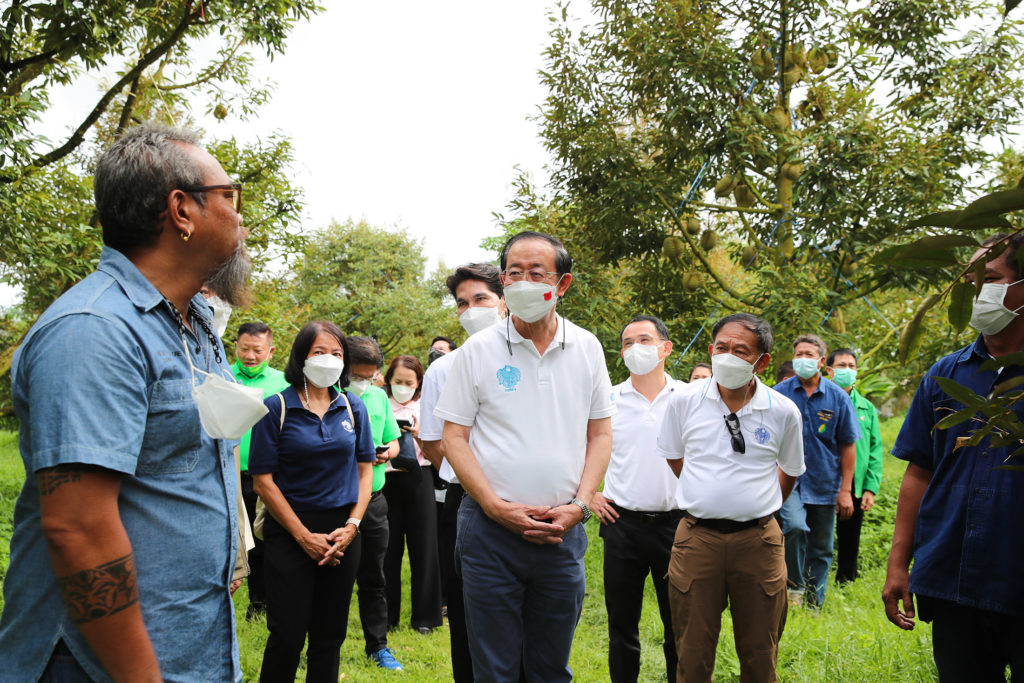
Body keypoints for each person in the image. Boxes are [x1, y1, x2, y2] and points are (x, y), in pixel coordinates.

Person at [0, 123, 252, 680]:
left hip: (190, 647)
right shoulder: (93, 331)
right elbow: (78, 529)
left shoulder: (196, 324)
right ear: (182, 211)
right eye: (228, 197)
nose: (240, 216)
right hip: (96, 665)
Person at [436, 230, 616, 681]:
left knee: (551, 666)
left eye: (537, 273)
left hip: (561, 532)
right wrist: (495, 507)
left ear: (563, 284)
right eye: (513, 273)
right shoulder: (478, 351)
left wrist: (579, 504)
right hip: (489, 533)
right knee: (494, 667)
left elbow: (600, 433)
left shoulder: (587, 347)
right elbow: (453, 437)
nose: (523, 282)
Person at [883, 233, 1024, 679]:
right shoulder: (946, 374)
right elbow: (919, 473)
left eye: (992, 278)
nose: (976, 290)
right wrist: (897, 566)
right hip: (953, 578)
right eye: (970, 279)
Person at [657, 312, 804, 682]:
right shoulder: (683, 402)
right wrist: (706, 494)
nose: (728, 356)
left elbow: (790, 470)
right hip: (697, 539)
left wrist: (758, 504)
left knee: (760, 652)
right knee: (691, 652)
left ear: (762, 361)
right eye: (721, 348)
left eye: (741, 350)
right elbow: (676, 458)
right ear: (710, 350)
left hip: (758, 542)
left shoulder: (783, 411)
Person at [248, 321, 374, 682]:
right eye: (320, 352)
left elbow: (365, 473)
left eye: (337, 353)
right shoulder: (276, 407)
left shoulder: (352, 407)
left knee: (329, 634)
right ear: (301, 355)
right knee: (287, 633)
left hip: (343, 531)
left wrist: (352, 526)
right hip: (290, 531)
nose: (329, 360)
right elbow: (263, 482)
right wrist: (303, 536)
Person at [419, 262, 507, 682]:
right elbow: (435, 443)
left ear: (504, 300)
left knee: (525, 615)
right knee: (468, 607)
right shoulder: (442, 369)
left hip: (530, 500)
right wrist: (473, 481)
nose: (471, 310)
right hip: (463, 502)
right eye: (462, 303)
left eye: (481, 300)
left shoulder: (533, 355)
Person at [590, 314, 683, 683]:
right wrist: (590, 494)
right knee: (622, 626)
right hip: (621, 524)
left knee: (679, 626)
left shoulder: (687, 398)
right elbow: (578, 449)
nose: (634, 349)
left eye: (643, 340)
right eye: (627, 343)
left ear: (665, 347)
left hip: (677, 526)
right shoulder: (608, 399)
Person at [774, 334, 859, 608]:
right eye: (798, 354)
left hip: (825, 481)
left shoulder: (837, 398)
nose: (802, 359)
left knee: (821, 548)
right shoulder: (779, 394)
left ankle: (814, 605)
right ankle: (795, 588)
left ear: (822, 361)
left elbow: (848, 445)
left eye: (809, 355)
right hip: (788, 481)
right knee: (795, 527)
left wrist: (846, 490)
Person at [346, 336, 404, 671]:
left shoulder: (380, 397)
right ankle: (325, 643)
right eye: (356, 375)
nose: (362, 383)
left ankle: (378, 646)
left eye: (369, 376)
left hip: (374, 502)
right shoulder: (327, 396)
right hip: (336, 502)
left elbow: (394, 442)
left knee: (373, 577)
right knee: (331, 579)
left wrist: (386, 453)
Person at [232, 322, 290, 620]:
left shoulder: (282, 384)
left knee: (262, 537)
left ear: (271, 351)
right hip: (230, 474)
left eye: (257, 350)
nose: (250, 356)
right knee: (231, 536)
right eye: (245, 349)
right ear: (236, 347)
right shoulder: (224, 375)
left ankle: (260, 602)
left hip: (267, 477)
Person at [382, 354, 444, 634]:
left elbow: (439, 449)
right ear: (389, 380)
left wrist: (419, 434)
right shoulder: (380, 404)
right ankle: (386, 617)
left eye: (409, 382)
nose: (403, 387)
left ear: (419, 382)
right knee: (387, 551)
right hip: (387, 480)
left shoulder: (428, 406)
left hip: (421, 479)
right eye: (398, 381)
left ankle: (425, 618)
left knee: (425, 548)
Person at [825, 348, 883, 584]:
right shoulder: (822, 402)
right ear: (829, 370)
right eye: (841, 365)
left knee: (850, 537)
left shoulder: (867, 408)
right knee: (820, 537)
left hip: (856, 485)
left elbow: (875, 449)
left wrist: (871, 488)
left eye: (851, 366)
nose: (847, 370)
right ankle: (813, 581)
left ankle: (846, 581)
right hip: (825, 483)